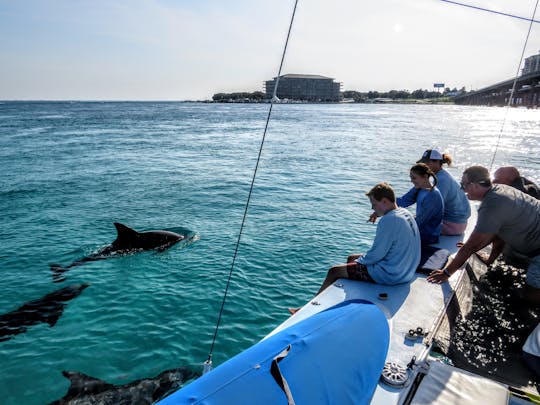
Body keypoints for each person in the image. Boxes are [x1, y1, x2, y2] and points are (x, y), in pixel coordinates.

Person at [289, 183, 421, 314]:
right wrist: (356, 261)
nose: (372, 207)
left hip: (390, 275)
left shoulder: (389, 220)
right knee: (351, 258)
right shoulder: (404, 213)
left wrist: (359, 262)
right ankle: (344, 298)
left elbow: (376, 255)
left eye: (374, 204)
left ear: (385, 201)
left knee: (334, 271)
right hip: (406, 272)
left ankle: (308, 308)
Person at [427, 166, 540, 305]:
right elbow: (498, 234)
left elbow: (471, 246)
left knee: (530, 296)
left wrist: (446, 273)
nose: (462, 189)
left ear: (475, 185)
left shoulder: (493, 205)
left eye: (464, 184)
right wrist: (488, 257)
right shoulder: (499, 191)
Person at [417, 149, 470, 235]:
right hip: (459, 222)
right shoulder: (443, 174)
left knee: (410, 226)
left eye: (427, 163)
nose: (424, 166)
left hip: (452, 225)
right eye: (423, 163)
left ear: (437, 162)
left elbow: (435, 207)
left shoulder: (441, 180)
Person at [397, 163, 444, 246]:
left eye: (414, 178)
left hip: (429, 236)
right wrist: (380, 210)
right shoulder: (419, 188)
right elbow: (403, 201)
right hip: (421, 229)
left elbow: (421, 222)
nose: (411, 181)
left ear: (425, 177)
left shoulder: (433, 195)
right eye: (411, 178)